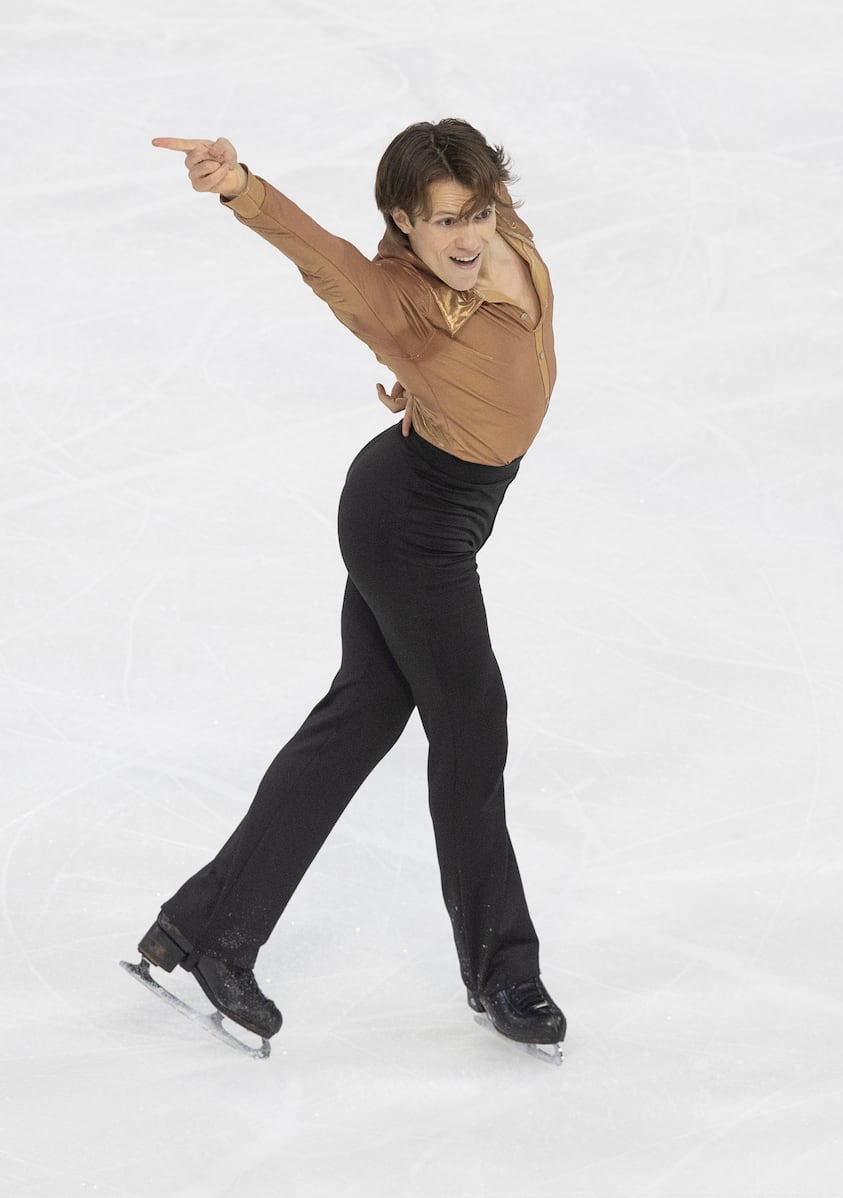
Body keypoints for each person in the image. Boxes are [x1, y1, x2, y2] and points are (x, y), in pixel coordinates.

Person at [136, 120, 565, 1052]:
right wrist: (240, 185)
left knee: (363, 716)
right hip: (410, 523)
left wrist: (482, 197)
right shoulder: (398, 301)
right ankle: (506, 972)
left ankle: (201, 927)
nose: (466, 237)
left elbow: (487, 215)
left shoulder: (508, 242)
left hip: (437, 507)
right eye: (443, 221)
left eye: (477, 213)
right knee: (472, 724)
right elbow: (323, 257)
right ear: (403, 223)